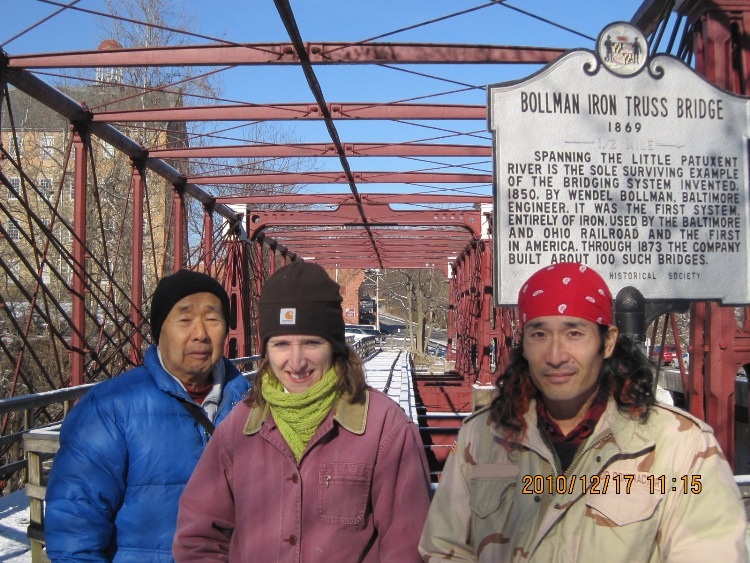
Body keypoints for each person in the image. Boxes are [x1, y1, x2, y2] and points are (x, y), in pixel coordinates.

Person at [419, 262, 748, 562]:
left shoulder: (680, 447)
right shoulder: (483, 438)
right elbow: (444, 548)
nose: (556, 354)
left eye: (574, 333)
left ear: (607, 343)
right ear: (524, 344)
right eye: (539, 334)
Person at [173, 260, 431, 562]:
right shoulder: (239, 429)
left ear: (335, 346)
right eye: (281, 344)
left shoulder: (383, 427)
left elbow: (408, 544)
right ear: (266, 351)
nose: (295, 363)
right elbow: (198, 537)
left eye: (311, 343)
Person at [45, 269, 252, 562]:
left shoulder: (253, 405)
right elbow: (73, 534)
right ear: (159, 332)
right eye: (184, 320)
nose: (201, 334)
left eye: (213, 319)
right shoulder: (109, 409)